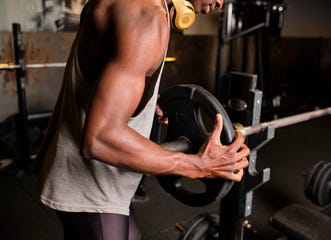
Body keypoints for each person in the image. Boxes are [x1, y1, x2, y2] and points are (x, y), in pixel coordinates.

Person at [33, 0, 250, 239]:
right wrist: (197, 164)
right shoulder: (148, 18)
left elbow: (100, 77)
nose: (220, 3)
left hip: (101, 180)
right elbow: (101, 138)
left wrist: (142, 103)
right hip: (91, 187)